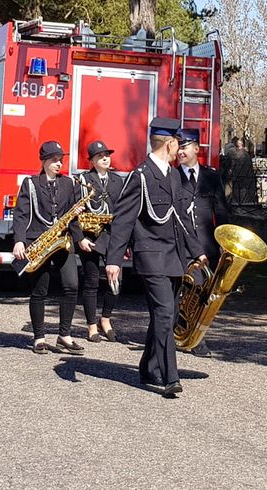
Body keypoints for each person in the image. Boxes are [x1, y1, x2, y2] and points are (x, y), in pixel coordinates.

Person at [106, 117, 203, 397]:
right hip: (150, 256)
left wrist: (198, 253)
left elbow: (183, 218)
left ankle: (148, 366)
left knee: (169, 318)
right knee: (162, 314)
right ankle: (169, 376)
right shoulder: (141, 176)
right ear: (169, 143)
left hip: (173, 257)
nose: (179, 149)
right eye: (177, 143)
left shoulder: (173, 175)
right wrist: (113, 260)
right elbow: (123, 219)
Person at [12, 140, 86, 354]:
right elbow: (21, 214)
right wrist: (19, 240)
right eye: (54, 160)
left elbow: (71, 218)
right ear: (43, 161)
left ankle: (65, 335)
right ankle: (39, 337)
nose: (58, 164)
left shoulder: (68, 183)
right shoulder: (31, 183)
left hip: (62, 242)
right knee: (40, 290)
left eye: (60, 160)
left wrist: (79, 238)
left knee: (71, 285)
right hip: (39, 240)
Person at [176, 129, 232, 358]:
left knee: (204, 293)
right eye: (178, 147)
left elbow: (220, 210)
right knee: (184, 291)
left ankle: (195, 335)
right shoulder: (172, 176)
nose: (180, 151)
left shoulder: (211, 176)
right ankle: (182, 334)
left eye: (185, 146)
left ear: (196, 149)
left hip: (207, 244)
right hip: (182, 244)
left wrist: (225, 242)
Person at [77, 139, 123, 343]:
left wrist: (125, 240)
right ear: (92, 161)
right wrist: (80, 238)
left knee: (116, 282)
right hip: (90, 237)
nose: (105, 158)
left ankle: (106, 319)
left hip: (112, 236)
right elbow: (75, 213)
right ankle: (91, 326)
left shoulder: (117, 181)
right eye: (99, 156)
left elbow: (124, 213)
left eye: (107, 155)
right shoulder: (84, 180)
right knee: (91, 282)